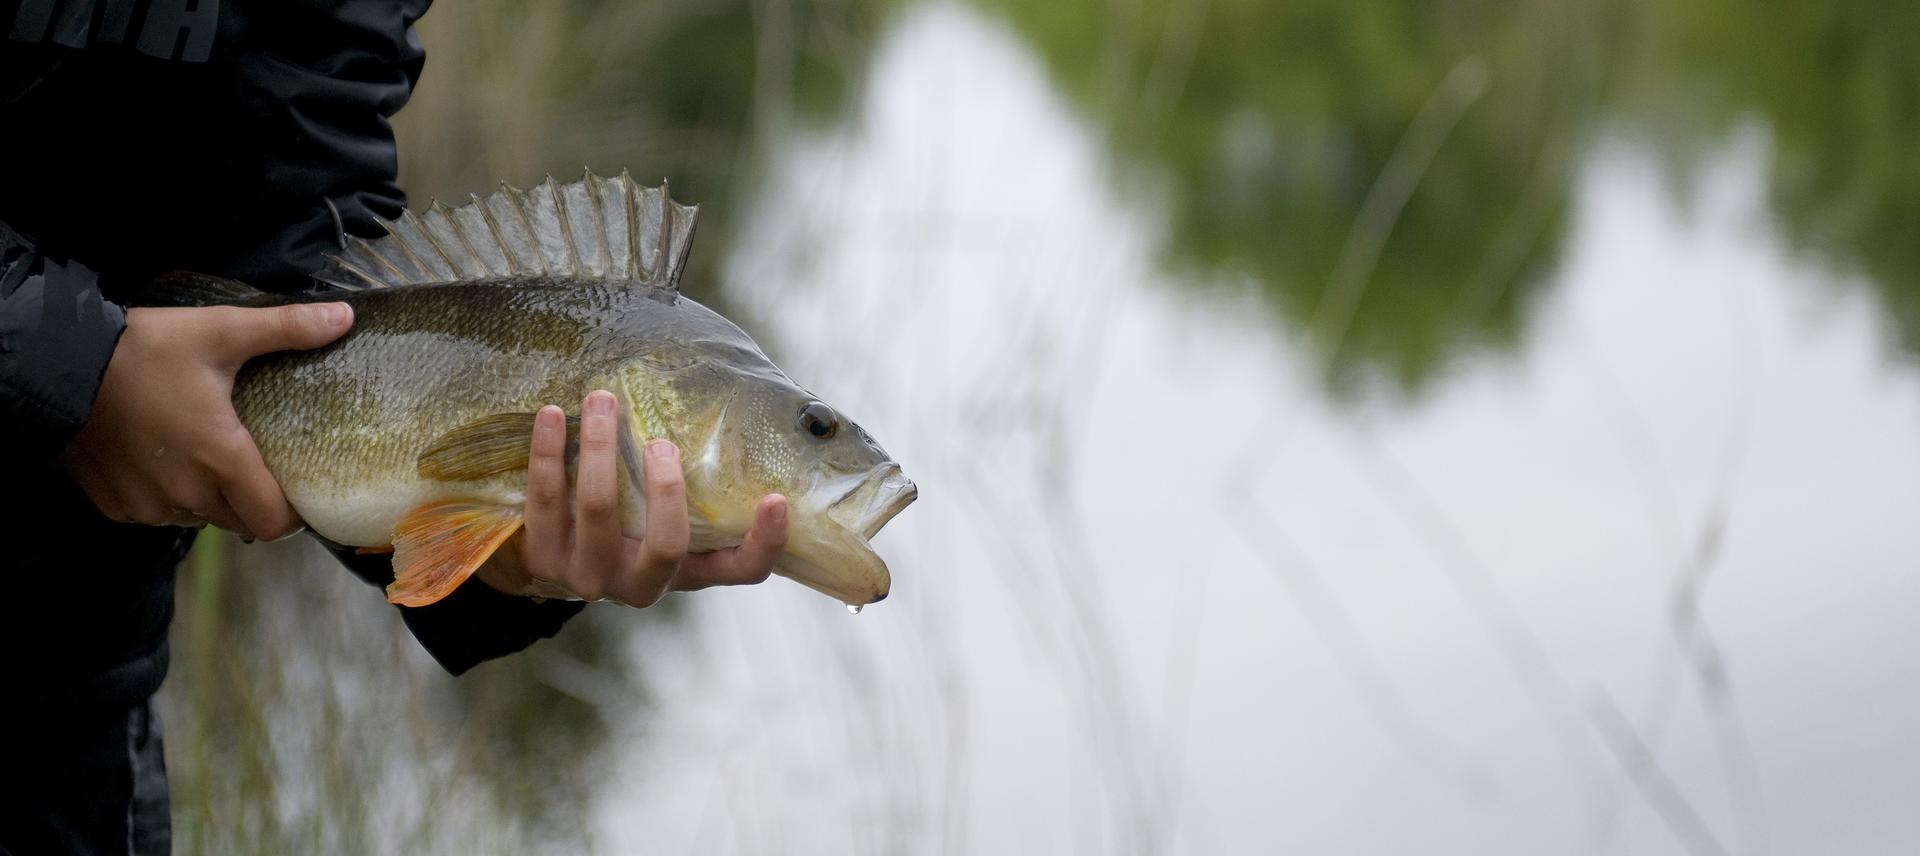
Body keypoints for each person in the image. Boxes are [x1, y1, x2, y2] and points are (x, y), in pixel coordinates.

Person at [0, 2, 788, 853]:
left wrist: (507, 563)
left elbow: (305, 215)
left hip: (71, 703)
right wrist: (72, 369)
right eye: (813, 428)